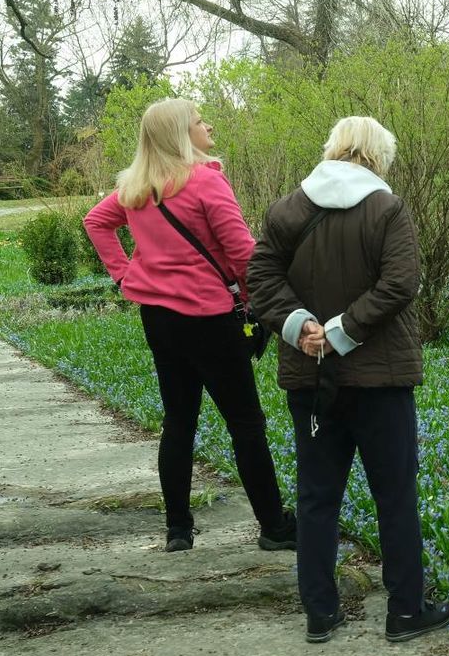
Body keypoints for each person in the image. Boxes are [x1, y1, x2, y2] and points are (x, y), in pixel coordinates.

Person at [248, 116, 449, 644]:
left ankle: (320, 612)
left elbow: (260, 279)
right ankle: (406, 611)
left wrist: (304, 328)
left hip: (311, 380)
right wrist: (344, 330)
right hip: (380, 381)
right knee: (395, 495)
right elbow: (401, 283)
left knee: (317, 498)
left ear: (334, 149)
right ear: (377, 156)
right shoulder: (387, 208)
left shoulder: (288, 208)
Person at [84, 98, 296, 554]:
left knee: (179, 421)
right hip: (210, 320)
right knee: (245, 423)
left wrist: (124, 274)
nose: (209, 125)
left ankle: (178, 530)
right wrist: (265, 303)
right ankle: (274, 526)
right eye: (201, 121)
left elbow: (96, 221)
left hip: (159, 320)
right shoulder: (205, 182)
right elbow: (242, 256)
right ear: (183, 134)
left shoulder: (137, 187)